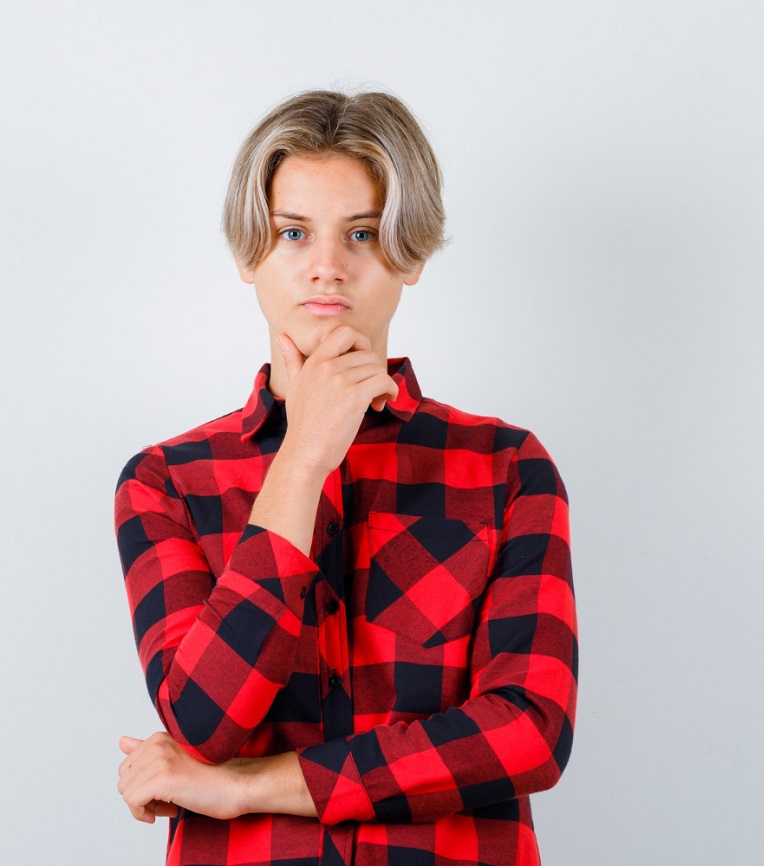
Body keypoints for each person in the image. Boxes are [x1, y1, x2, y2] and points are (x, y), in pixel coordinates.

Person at [113, 89, 577, 866]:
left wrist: (251, 787)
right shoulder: (166, 482)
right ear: (248, 254)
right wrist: (301, 461)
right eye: (293, 233)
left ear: (413, 254)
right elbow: (205, 720)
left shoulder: (506, 468)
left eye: (361, 234)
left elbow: (527, 734)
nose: (326, 267)